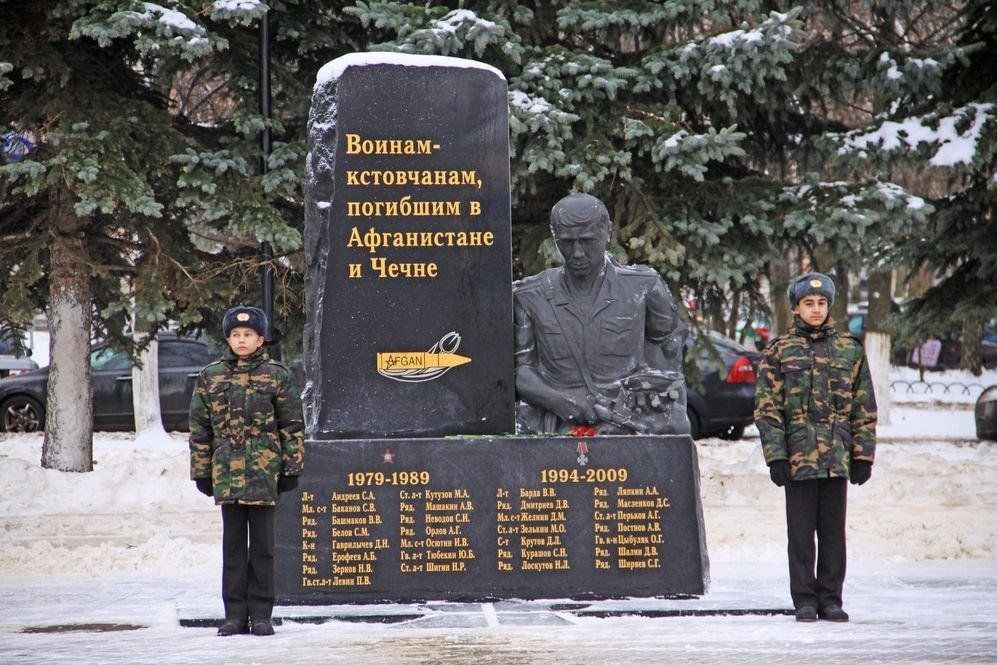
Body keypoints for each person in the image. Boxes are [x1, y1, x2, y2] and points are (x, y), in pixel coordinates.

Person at [754, 272, 876, 623]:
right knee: (801, 534)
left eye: (822, 303)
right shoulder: (779, 351)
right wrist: (775, 456)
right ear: (796, 308)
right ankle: (805, 599)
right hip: (798, 458)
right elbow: (767, 409)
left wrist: (863, 455)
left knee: (834, 535)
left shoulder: (849, 350)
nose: (816, 309)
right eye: (809, 303)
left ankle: (831, 599)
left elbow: (864, 407)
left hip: (837, 457)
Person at [513, 192, 687, 435]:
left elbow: (668, 356)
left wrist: (638, 403)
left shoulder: (644, 287)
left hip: (629, 425)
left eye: (587, 241)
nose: (577, 254)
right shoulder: (530, 295)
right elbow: (521, 370)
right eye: (566, 242)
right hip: (553, 428)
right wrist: (560, 400)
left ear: (607, 233)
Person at [189, 305, 304, 636]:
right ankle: (234, 615)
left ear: (260, 339)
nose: (241, 340)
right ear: (227, 338)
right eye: (236, 335)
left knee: (264, 549)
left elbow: (292, 425)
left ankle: (262, 615)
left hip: (263, 473)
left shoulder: (277, 376)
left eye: (248, 335)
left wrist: (291, 468)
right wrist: (201, 471)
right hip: (226, 474)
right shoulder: (211, 376)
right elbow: (199, 428)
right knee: (234, 548)